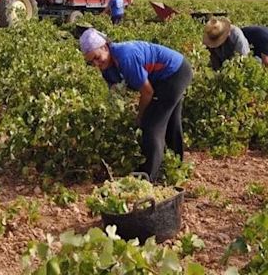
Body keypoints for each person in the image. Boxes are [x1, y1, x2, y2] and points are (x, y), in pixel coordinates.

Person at [79, 28, 193, 182]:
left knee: (151, 125)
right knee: (170, 120)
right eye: (91, 61)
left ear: (105, 47)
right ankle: (177, 168)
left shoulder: (126, 57)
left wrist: (140, 116)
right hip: (162, 77)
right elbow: (116, 92)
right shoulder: (107, 68)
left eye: (97, 57)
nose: (96, 63)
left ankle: (148, 177)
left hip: (175, 73)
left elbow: (147, 92)